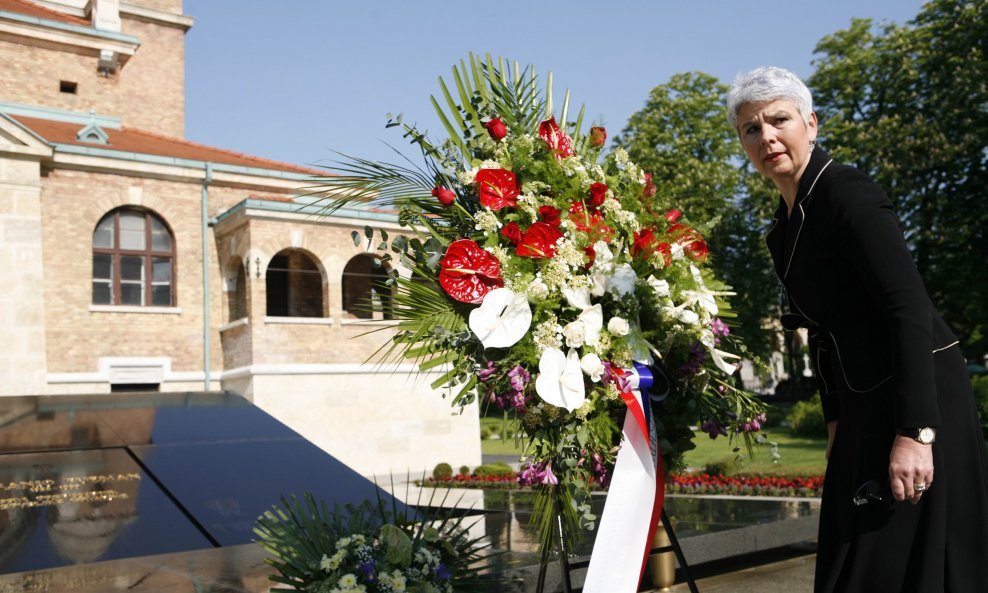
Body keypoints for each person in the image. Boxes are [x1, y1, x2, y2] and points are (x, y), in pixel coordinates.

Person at [726, 66, 988, 592]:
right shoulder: (782, 228)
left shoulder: (847, 192)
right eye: (751, 129)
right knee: (856, 561)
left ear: (811, 124)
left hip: (919, 398)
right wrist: (834, 425)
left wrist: (916, 432)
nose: (767, 137)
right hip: (861, 406)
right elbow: (822, 336)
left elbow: (909, 311)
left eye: (779, 120)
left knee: (897, 565)